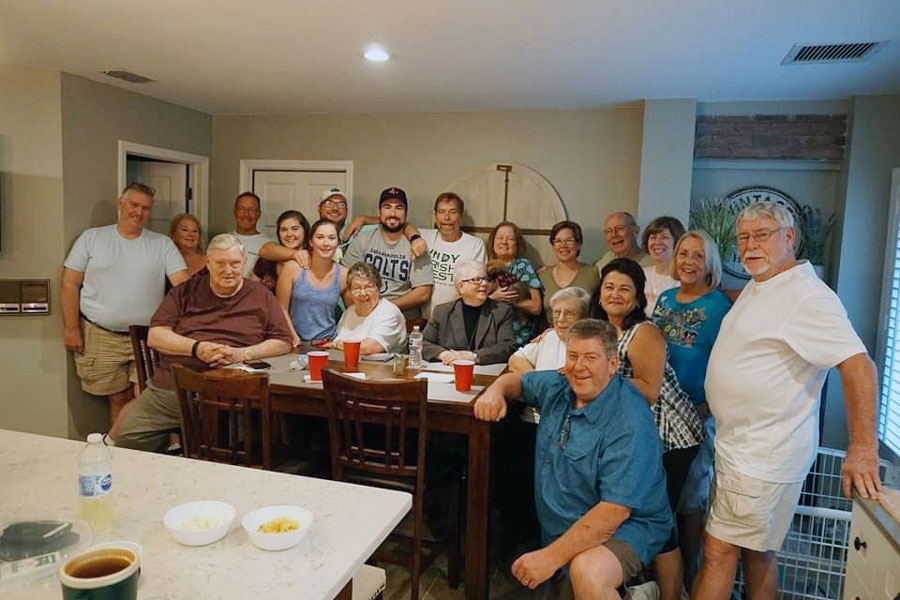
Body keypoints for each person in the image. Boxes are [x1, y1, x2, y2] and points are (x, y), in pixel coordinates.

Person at [694, 202, 883, 600]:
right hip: (743, 450)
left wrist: (863, 446)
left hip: (763, 456)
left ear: (789, 237)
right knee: (757, 555)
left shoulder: (807, 296)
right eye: (743, 237)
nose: (750, 245)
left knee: (717, 552)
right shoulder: (763, 282)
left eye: (761, 234)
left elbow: (858, 365)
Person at [475, 318, 673, 599]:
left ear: (613, 364)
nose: (579, 367)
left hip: (625, 526)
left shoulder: (630, 420)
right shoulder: (559, 385)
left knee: (587, 571)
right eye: (573, 356)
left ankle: (638, 587)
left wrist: (549, 557)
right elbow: (516, 381)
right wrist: (495, 392)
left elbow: (614, 512)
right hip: (565, 524)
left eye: (591, 357)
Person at [115, 234, 293, 453]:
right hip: (174, 389)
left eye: (235, 264)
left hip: (237, 393)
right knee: (127, 442)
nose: (228, 270)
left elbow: (283, 341)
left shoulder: (261, 294)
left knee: (237, 453)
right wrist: (197, 348)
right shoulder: (185, 291)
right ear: (208, 264)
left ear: (244, 263)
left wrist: (242, 354)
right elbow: (156, 336)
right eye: (220, 263)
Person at [594, 258, 704, 600]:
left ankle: (672, 594)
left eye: (625, 289)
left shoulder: (644, 333)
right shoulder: (602, 329)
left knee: (657, 521)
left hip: (670, 436)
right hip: (638, 439)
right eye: (609, 287)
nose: (615, 294)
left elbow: (650, 390)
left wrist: (599, 379)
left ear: (638, 297)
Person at [61, 183, 189, 440]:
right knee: (117, 397)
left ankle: (130, 447)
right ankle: (121, 452)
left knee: (149, 397)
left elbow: (184, 288)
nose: (139, 212)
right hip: (101, 335)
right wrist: (72, 328)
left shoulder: (161, 244)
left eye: (145, 208)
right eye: (134, 205)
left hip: (147, 337)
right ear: (121, 204)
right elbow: (69, 283)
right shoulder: (92, 238)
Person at [651, 230, 731, 588]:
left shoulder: (718, 307)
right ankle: (664, 576)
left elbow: (727, 366)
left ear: (709, 263)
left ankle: (691, 578)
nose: (688, 262)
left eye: (698, 256)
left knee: (690, 500)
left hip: (698, 415)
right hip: (660, 414)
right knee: (660, 494)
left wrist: (704, 408)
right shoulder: (666, 299)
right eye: (683, 254)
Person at [341, 187, 433, 320]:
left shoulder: (417, 245)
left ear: (406, 213)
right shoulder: (363, 239)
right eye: (387, 207)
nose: (393, 213)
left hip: (401, 319)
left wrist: (383, 308)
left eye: (399, 208)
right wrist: (358, 311)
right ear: (379, 212)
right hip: (362, 315)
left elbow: (423, 292)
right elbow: (345, 280)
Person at [422, 259, 516, 365]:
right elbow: (422, 342)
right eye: (477, 280)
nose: (484, 284)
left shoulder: (501, 311)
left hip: (487, 373)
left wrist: (472, 356)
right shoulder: (442, 311)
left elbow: (507, 346)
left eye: (486, 279)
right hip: (449, 369)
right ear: (461, 287)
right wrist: (444, 355)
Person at [276, 219, 347, 346]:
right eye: (320, 237)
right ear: (311, 241)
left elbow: (353, 311)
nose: (326, 243)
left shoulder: (343, 274)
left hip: (328, 343)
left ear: (337, 243)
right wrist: (294, 338)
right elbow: (281, 308)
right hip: (295, 342)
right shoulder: (292, 268)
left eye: (331, 238)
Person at [318, 186, 427, 263]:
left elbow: (397, 223)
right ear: (319, 208)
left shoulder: (356, 230)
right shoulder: (311, 234)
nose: (335, 208)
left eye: (341, 205)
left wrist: (415, 238)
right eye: (329, 203)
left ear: (346, 210)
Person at [420, 192, 487, 317]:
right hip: (423, 320)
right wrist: (413, 238)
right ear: (435, 216)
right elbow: (402, 227)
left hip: (456, 318)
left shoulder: (474, 245)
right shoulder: (425, 237)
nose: (446, 217)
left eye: (452, 212)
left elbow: (475, 287)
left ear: (460, 216)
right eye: (441, 212)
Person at [509, 286, 591, 375]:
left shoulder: (594, 344)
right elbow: (516, 359)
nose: (561, 319)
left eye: (569, 313)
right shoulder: (549, 336)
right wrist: (537, 379)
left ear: (584, 317)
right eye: (557, 312)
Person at [486, 221, 543, 348]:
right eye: (500, 238)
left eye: (510, 239)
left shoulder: (523, 265)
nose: (504, 242)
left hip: (518, 339)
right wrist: (493, 298)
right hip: (492, 339)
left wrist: (509, 300)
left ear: (517, 244)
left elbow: (536, 306)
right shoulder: (485, 268)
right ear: (493, 242)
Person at [330, 262, 407, 355]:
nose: (363, 293)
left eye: (368, 287)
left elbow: (368, 349)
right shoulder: (350, 311)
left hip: (381, 368)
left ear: (378, 288)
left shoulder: (389, 313)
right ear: (349, 291)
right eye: (357, 288)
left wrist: (336, 344)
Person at [230, 192, 307, 277]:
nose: (246, 214)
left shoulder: (272, 244)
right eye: (242, 209)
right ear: (235, 212)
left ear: (258, 214)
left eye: (251, 210)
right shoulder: (222, 240)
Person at [538, 221, 600, 316]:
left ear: (578, 244)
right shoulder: (543, 276)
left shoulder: (593, 273)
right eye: (558, 241)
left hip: (584, 329)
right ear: (553, 245)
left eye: (569, 240)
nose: (563, 245)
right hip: (552, 329)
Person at [253, 210, 310, 291]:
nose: (289, 234)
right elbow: (252, 291)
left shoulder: (313, 257)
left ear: (305, 230)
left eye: (295, 229)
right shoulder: (267, 260)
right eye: (283, 230)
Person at [641, 216, 685, 314]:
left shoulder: (684, 280)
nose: (657, 242)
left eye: (665, 237)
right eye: (653, 237)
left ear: (678, 242)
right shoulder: (640, 274)